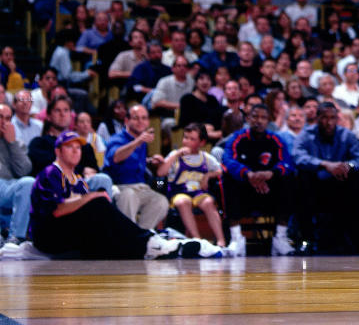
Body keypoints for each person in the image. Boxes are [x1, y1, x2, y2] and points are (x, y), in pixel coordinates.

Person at [27, 130, 221, 259]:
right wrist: (92, 197)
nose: (76, 151)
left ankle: (156, 244)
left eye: (78, 147)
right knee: (101, 202)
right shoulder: (50, 173)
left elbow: (157, 178)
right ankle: (151, 242)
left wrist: (211, 174)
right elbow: (57, 211)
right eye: (70, 147)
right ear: (58, 151)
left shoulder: (78, 178)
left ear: (202, 142)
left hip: (150, 187)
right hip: (49, 234)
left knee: (159, 201)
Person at [292, 101, 359, 253]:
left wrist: (347, 166)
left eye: (333, 118)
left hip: (341, 184)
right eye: (325, 118)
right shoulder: (306, 135)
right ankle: (307, 238)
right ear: (317, 117)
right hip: (316, 186)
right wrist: (325, 164)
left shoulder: (346, 135)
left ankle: (358, 236)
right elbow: (297, 156)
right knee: (301, 177)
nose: (329, 122)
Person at [221, 104, 297, 256]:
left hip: (269, 191)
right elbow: (227, 160)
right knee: (227, 177)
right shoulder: (237, 138)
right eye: (255, 117)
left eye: (263, 118)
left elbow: (287, 163)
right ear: (248, 119)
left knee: (289, 178)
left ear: (268, 120)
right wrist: (247, 174)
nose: (259, 121)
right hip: (244, 190)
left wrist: (271, 173)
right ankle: (236, 239)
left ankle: (280, 237)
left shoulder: (276, 139)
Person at [156, 123, 227, 250]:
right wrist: (175, 155)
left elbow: (220, 170)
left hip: (198, 192)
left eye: (192, 139)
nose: (187, 142)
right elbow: (160, 173)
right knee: (183, 202)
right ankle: (198, 240)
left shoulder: (205, 157)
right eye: (185, 137)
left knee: (209, 202)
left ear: (202, 142)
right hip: (179, 192)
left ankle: (221, 241)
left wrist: (208, 176)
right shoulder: (175, 155)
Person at [103, 104, 169, 231]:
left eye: (144, 118)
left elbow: (133, 160)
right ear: (126, 120)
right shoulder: (117, 139)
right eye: (136, 118)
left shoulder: (142, 142)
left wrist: (151, 161)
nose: (140, 122)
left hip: (141, 186)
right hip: (120, 187)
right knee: (129, 195)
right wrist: (138, 141)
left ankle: (142, 235)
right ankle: (128, 236)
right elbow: (116, 157)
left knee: (161, 200)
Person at [0, 102, 34, 245]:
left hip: (11, 186)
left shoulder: (17, 143)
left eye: (8, 119)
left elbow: (24, 170)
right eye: (0, 117)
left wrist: (12, 143)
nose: (4, 122)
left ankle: (16, 238)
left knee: (29, 182)